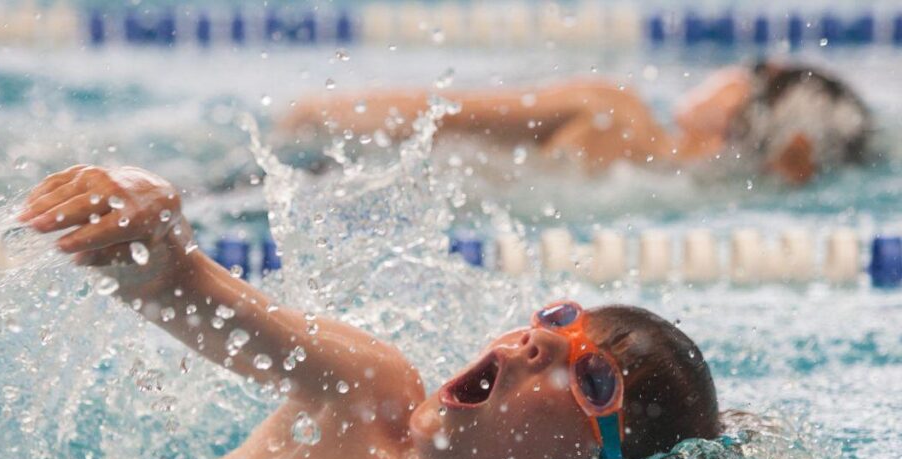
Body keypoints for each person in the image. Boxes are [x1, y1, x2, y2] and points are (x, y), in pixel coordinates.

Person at [18, 165, 721, 459]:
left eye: (592, 378)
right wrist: (155, 234)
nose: (536, 341)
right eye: (558, 321)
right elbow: (187, 287)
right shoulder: (369, 393)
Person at [281, 60, 873, 185]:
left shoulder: (613, 110)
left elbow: (443, 115)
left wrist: (316, 112)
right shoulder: (699, 196)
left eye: (746, 72)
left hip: (337, 179)